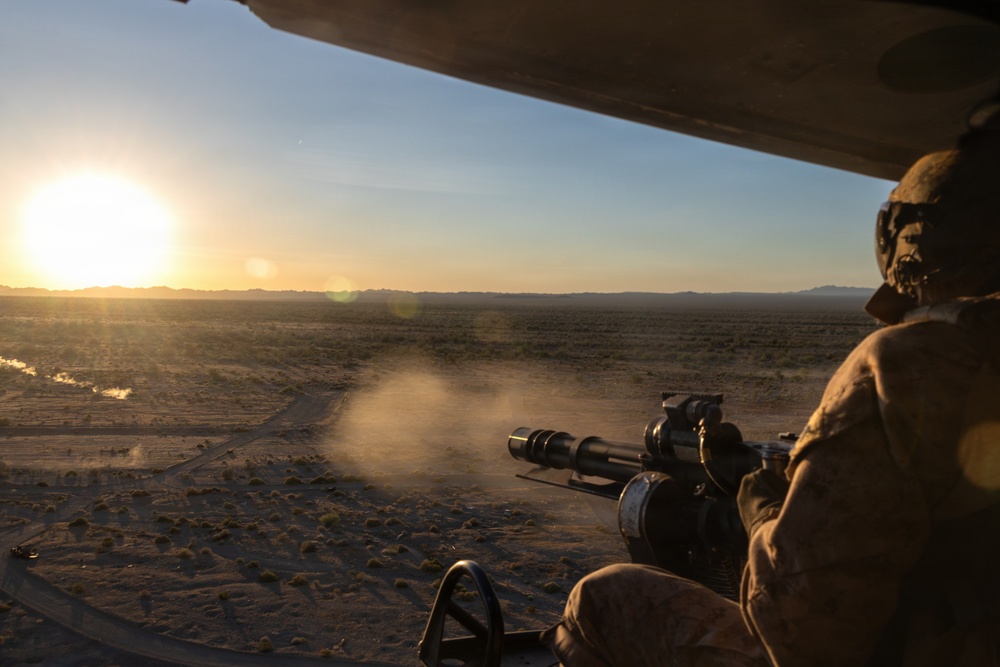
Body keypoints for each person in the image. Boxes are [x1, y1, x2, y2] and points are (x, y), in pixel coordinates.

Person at [541, 132, 1000, 667]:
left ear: (902, 236)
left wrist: (763, 517)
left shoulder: (901, 364)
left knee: (601, 598)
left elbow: (806, 633)